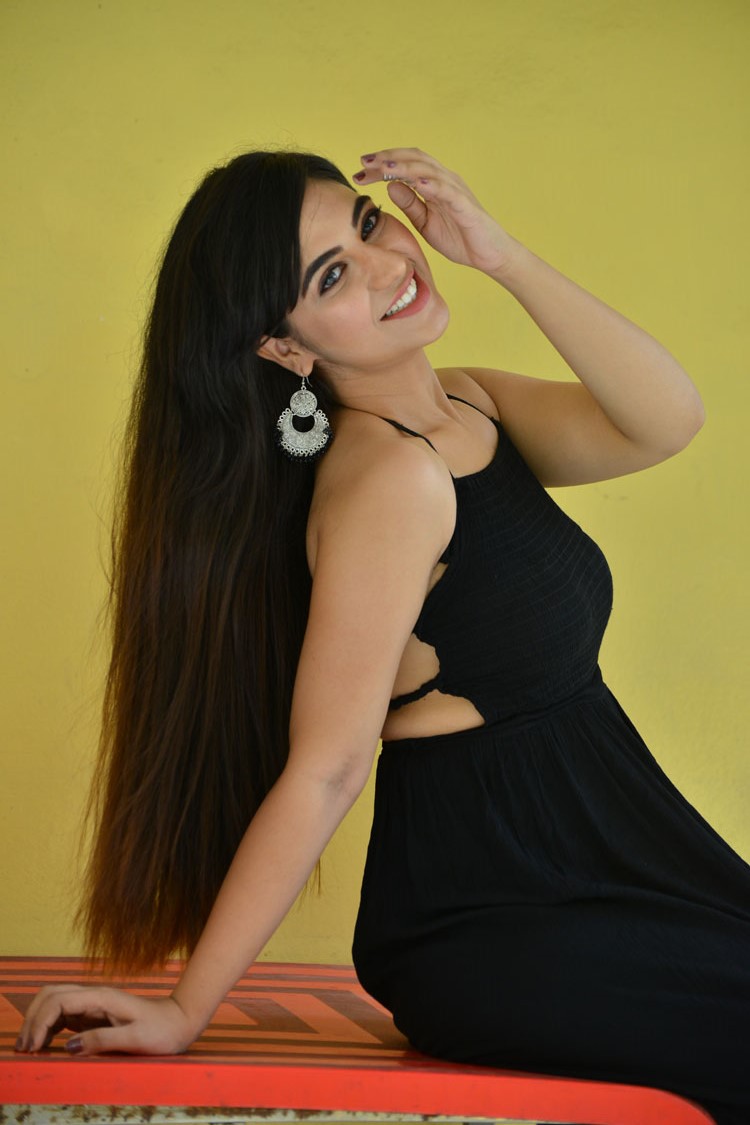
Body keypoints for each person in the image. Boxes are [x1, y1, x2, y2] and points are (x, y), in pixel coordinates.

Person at [16, 147, 750, 1123]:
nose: (385, 264)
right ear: (285, 349)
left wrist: (501, 255)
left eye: (365, 225)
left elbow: (666, 421)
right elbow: (327, 767)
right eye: (330, 276)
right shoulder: (390, 482)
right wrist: (185, 1009)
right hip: (497, 913)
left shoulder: (472, 405)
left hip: (621, 862)